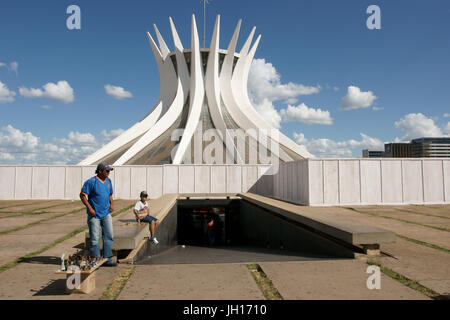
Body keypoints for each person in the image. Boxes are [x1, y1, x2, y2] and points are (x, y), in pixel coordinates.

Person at [80, 162, 116, 267]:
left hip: (106, 213)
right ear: (100, 171)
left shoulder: (108, 181)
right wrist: (90, 208)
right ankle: (96, 259)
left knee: (109, 235)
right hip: (94, 215)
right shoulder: (91, 182)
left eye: (109, 171)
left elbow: (110, 194)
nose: (108, 173)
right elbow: (82, 195)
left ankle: (108, 259)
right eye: (107, 171)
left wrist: (112, 204)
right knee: (95, 238)